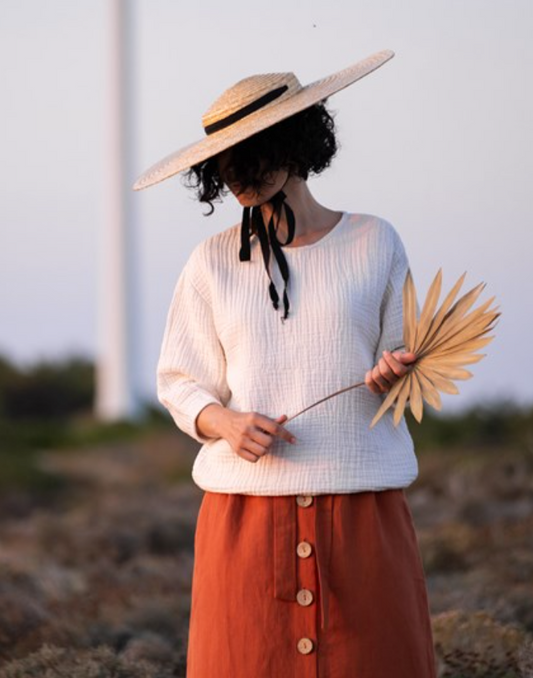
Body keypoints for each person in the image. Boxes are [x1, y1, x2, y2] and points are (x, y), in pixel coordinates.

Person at [133, 50, 438, 677]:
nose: (236, 175)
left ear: (297, 143)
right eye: (224, 163)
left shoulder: (375, 241)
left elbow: (409, 358)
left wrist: (393, 374)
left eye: (251, 154)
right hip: (243, 524)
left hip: (363, 518)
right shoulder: (210, 262)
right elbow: (178, 380)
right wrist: (225, 423)